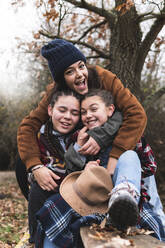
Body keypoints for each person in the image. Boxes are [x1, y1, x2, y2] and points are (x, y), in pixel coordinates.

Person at [34, 90, 164, 248]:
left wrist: (119, 168)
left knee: (129, 156)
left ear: (110, 110)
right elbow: (70, 173)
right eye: (83, 112)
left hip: (120, 197)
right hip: (90, 198)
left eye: (94, 109)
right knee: (54, 215)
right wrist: (85, 168)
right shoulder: (80, 137)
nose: (88, 115)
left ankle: (123, 195)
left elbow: (150, 166)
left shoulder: (126, 134)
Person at [17, 38, 147, 194]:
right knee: (21, 162)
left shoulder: (104, 79)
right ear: (62, 79)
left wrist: (113, 152)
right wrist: (36, 166)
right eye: (70, 72)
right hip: (78, 151)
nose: (79, 74)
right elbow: (28, 126)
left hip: (115, 143)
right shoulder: (56, 93)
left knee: (135, 162)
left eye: (81, 66)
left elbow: (136, 113)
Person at [28, 89, 82, 243]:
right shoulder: (42, 135)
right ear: (50, 110)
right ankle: (34, 238)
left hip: (75, 190)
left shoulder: (81, 135)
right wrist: (37, 171)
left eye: (74, 113)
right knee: (38, 188)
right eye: (62, 110)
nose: (67, 117)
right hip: (50, 186)